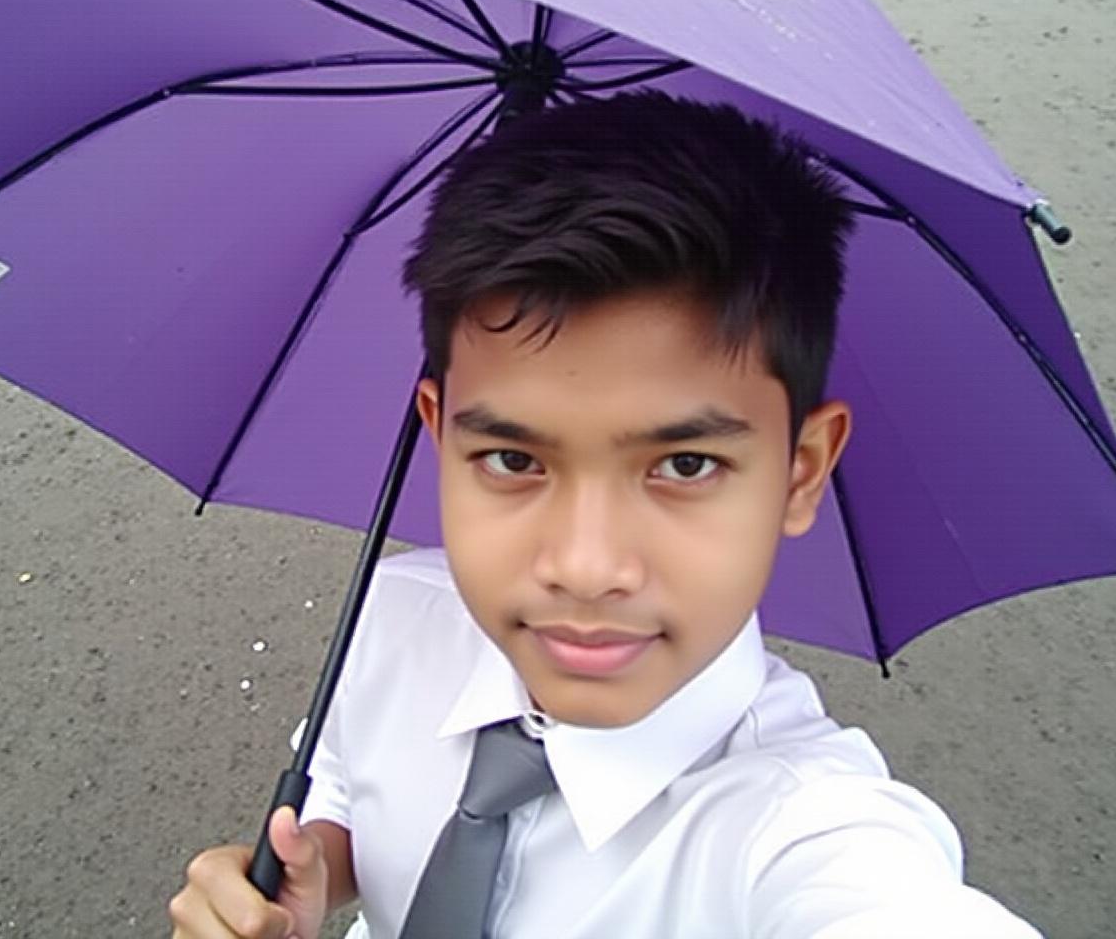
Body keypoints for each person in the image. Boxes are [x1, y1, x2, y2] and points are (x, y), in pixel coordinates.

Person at [168, 91, 1040, 938]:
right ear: (438, 436)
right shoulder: (394, 616)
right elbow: (355, 795)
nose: (585, 568)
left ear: (800, 471)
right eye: (513, 460)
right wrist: (308, 876)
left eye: (685, 464)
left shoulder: (803, 834)